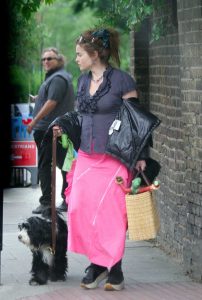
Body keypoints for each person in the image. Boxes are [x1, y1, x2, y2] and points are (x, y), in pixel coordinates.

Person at [54, 27, 158, 291]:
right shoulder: (80, 83)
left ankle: (115, 269)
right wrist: (63, 126)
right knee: (79, 208)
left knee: (110, 213)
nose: (76, 58)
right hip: (87, 157)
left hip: (115, 157)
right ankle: (98, 263)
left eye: (79, 54)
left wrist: (141, 156)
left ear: (95, 53)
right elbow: (80, 116)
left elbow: (137, 121)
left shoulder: (123, 81)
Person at [27, 47, 75, 214]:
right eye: (44, 59)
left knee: (46, 165)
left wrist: (34, 121)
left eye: (50, 58)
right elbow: (51, 99)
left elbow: (52, 102)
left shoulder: (57, 79)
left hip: (49, 129)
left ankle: (47, 202)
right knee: (63, 164)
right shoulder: (58, 78)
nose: (46, 61)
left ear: (59, 60)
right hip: (56, 128)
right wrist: (37, 98)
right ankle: (67, 199)